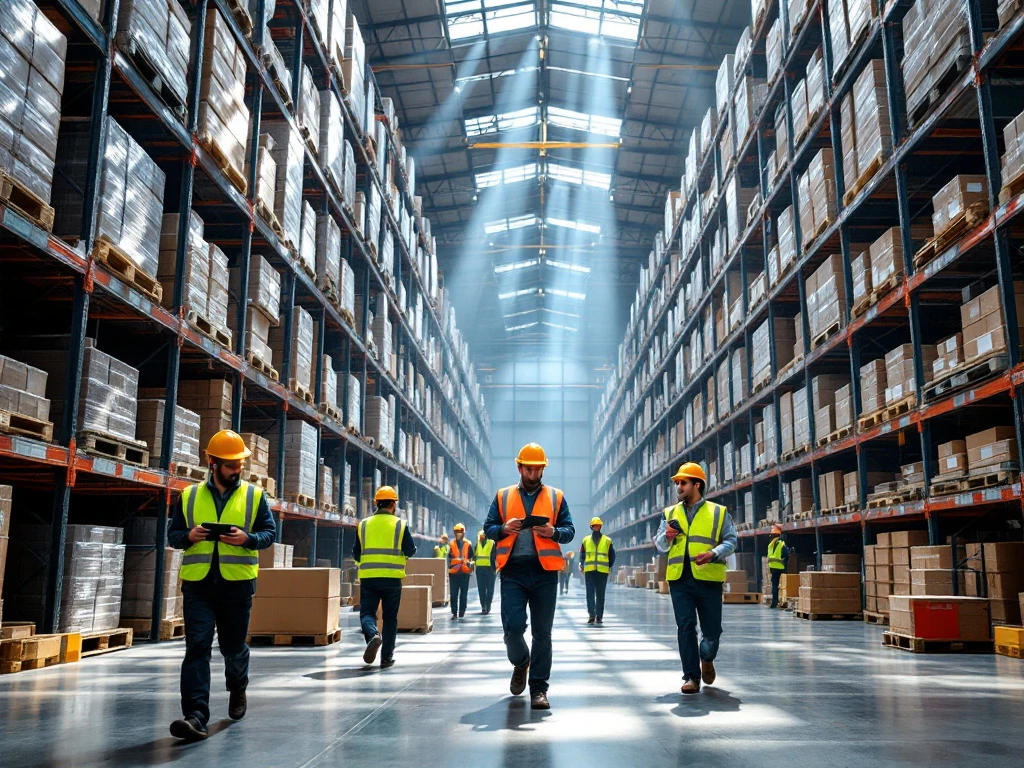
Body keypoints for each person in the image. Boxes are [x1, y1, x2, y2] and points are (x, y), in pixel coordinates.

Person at [167, 430, 277, 741]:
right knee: (197, 647)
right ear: (213, 463)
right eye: (231, 464)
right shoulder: (188, 496)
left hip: (237, 586)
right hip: (198, 585)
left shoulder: (255, 496)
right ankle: (196, 715)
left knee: (232, 647)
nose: (237, 469)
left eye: (240, 463)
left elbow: (270, 533)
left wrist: (248, 539)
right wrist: (189, 536)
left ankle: (238, 686)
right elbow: (173, 535)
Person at [484, 443, 574, 710]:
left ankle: (539, 689)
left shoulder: (556, 497)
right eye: (529, 469)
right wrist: (503, 528)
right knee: (512, 628)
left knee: (542, 634)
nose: (534, 474)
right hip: (513, 571)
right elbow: (488, 528)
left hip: (545, 572)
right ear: (519, 467)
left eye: (538, 469)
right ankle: (522, 661)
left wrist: (553, 533)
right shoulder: (503, 496)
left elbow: (569, 529)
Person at [654, 462, 737, 695]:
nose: (678, 487)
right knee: (686, 626)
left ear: (697, 484)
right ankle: (691, 676)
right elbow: (659, 545)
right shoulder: (670, 513)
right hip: (679, 579)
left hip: (708, 578)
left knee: (712, 631)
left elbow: (732, 541)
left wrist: (713, 553)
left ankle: (707, 658)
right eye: (677, 483)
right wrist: (667, 537)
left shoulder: (718, 512)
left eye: (683, 482)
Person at [353, 486, 416, 668]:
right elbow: (410, 550)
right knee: (390, 618)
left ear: (376, 503)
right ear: (393, 504)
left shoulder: (363, 524)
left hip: (369, 578)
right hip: (392, 578)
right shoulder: (400, 524)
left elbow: (356, 554)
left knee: (366, 613)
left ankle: (373, 635)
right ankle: (386, 657)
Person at [580, 517, 615, 624]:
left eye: (598, 526)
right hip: (590, 571)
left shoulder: (607, 541)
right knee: (589, 594)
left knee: (600, 595)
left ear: (600, 526)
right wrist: (582, 564)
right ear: (591, 527)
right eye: (594, 526)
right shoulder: (585, 540)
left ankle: (599, 616)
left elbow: (612, 555)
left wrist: (609, 566)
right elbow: (582, 554)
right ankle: (591, 615)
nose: (596, 527)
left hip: (602, 571)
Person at [447, 523, 473, 619]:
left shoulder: (468, 544)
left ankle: (462, 611)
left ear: (463, 533)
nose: (458, 534)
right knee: (453, 594)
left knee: (463, 594)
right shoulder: (451, 544)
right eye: (457, 532)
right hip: (454, 573)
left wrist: (470, 566)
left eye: (460, 532)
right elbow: (448, 558)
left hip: (464, 573)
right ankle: (454, 612)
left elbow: (471, 557)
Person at [767, 525, 790, 608]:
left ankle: (774, 601)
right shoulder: (781, 544)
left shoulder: (770, 545)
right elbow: (787, 555)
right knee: (784, 585)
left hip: (773, 568)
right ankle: (784, 600)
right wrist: (784, 562)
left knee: (774, 585)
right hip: (781, 568)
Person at [475, 529, 496, 614]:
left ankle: (488, 605)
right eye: (480, 536)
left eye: (482, 536)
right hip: (480, 569)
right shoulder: (477, 544)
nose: (481, 538)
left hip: (490, 569)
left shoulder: (492, 543)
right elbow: (474, 555)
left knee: (490, 589)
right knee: (481, 589)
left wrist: (496, 568)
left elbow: (495, 555)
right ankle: (483, 606)